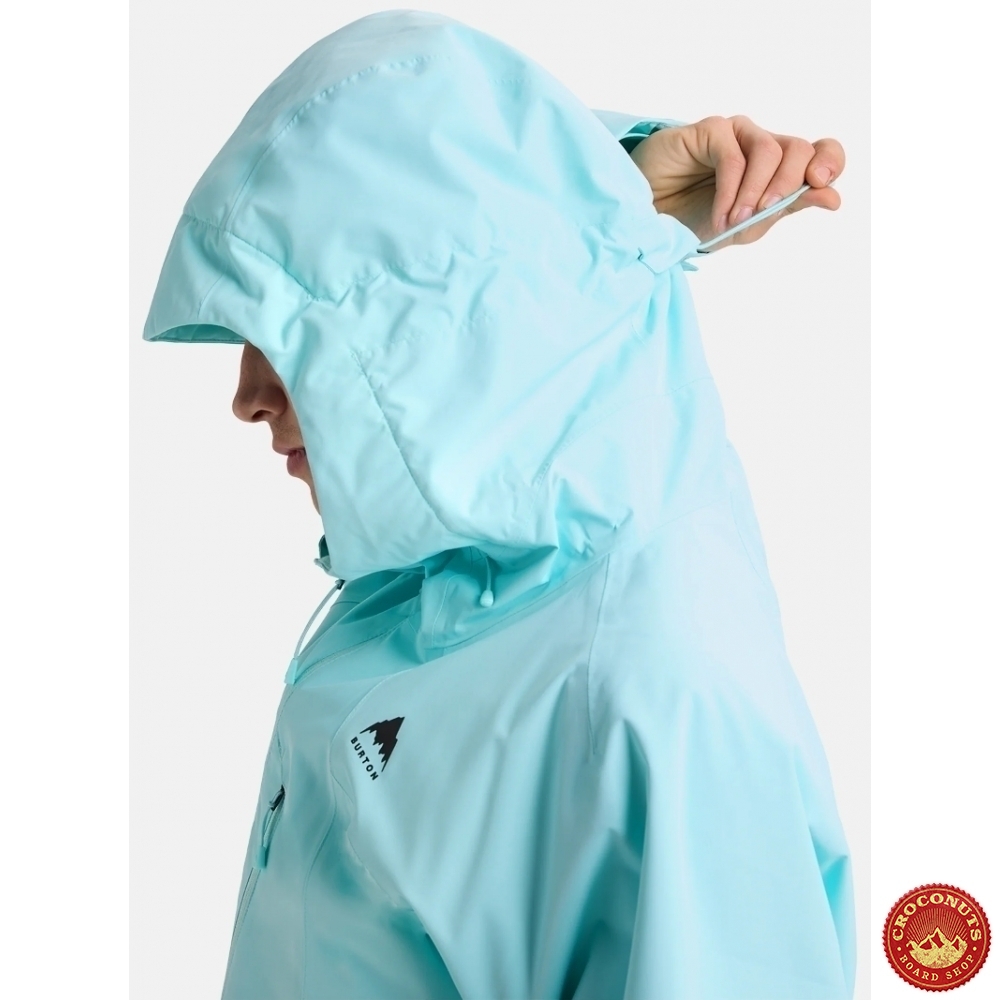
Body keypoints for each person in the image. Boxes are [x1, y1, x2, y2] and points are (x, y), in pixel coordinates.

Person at [143, 9, 853, 999]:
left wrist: (584, 230)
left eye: (296, 333)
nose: (248, 397)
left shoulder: (655, 701)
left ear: (432, 331)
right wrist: (607, 196)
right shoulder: (439, 581)